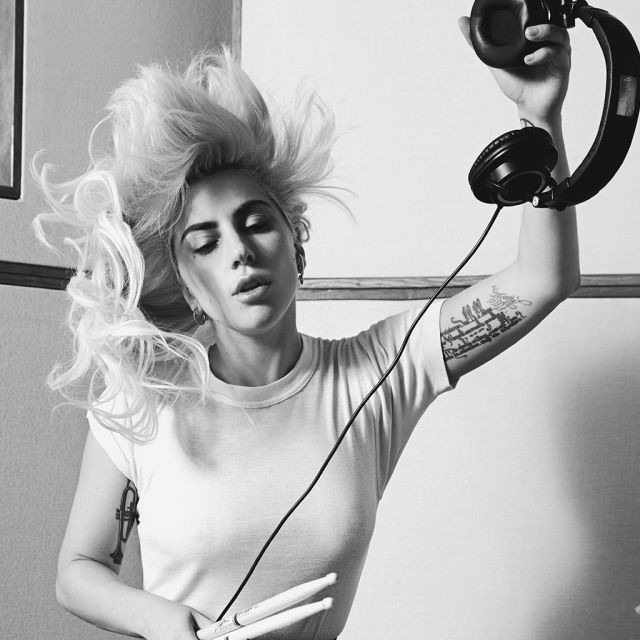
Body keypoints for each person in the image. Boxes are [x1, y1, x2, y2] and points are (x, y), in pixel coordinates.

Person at [35, 15, 579, 640]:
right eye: (205, 243)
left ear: (296, 243)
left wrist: (539, 117)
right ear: (187, 286)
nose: (240, 252)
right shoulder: (142, 396)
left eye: (256, 223)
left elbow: (543, 278)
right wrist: (166, 623)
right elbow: (78, 570)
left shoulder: (379, 372)